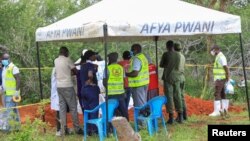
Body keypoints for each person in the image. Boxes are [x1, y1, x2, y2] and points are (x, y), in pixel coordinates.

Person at [54, 46, 82, 135]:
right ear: (66, 52)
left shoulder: (56, 60)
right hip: (67, 86)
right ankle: (77, 128)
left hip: (59, 87)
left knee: (62, 108)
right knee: (73, 107)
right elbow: (76, 71)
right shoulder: (67, 60)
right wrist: (72, 72)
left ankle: (63, 129)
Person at [160, 40, 183, 124]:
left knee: (169, 96)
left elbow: (161, 65)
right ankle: (180, 116)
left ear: (167, 46)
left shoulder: (166, 54)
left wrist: (167, 64)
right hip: (177, 76)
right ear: (173, 46)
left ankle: (171, 117)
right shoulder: (178, 55)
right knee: (177, 95)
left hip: (168, 77)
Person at [103, 52, 128, 120]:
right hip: (120, 93)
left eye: (108, 58)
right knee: (123, 111)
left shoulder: (107, 68)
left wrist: (108, 89)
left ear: (110, 58)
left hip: (111, 94)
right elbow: (123, 80)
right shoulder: (121, 68)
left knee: (111, 111)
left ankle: (112, 127)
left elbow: (104, 82)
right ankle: (126, 124)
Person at [80, 50, 99, 135]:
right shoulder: (90, 65)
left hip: (83, 90)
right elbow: (90, 74)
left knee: (86, 110)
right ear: (91, 56)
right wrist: (90, 81)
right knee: (94, 110)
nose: (96, 56)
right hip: (91, 90)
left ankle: (88, 130)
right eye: (95, 55)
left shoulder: (82, 66)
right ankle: (94, 130)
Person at [126, 44, 149, 114]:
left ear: (135, 50)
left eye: (132, 49)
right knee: (143, 102)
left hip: (138, 85)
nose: (131, 51)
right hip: (144, 83)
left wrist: (125, 74)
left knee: (140, 104)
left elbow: (135, 73)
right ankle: (143, 121)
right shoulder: (143, 57)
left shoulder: (137, 59)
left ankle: (142, 122)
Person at [1, 53, 21, 131]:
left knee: (9, 112)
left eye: (3, 59)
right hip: (6, 93)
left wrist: (16, 92)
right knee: (15, 111)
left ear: (8, 59)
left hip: (12, 94)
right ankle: (17, 128)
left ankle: (8, 130)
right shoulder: (5, 68)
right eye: (2, 60)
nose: (2, 61)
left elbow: (18, 80)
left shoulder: (14, 68)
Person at [209, 45, 230, 118]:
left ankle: (217, 111)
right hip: (220, 78)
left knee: (217, 93)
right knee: (222, 93)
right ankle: (224, 109)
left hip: (220, 78)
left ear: (216, 49)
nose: (212, 52)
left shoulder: (221, 57)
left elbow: (226, 67)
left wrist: (228, 77)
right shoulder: (218, 56)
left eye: (212, 50)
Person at [174, 43, 188, 121]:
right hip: (182, 77)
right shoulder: (182, 56)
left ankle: (180, 116)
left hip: (177, 77)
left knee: (177, 96)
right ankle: (185, 114)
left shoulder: (175, 56)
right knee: (182, 96)